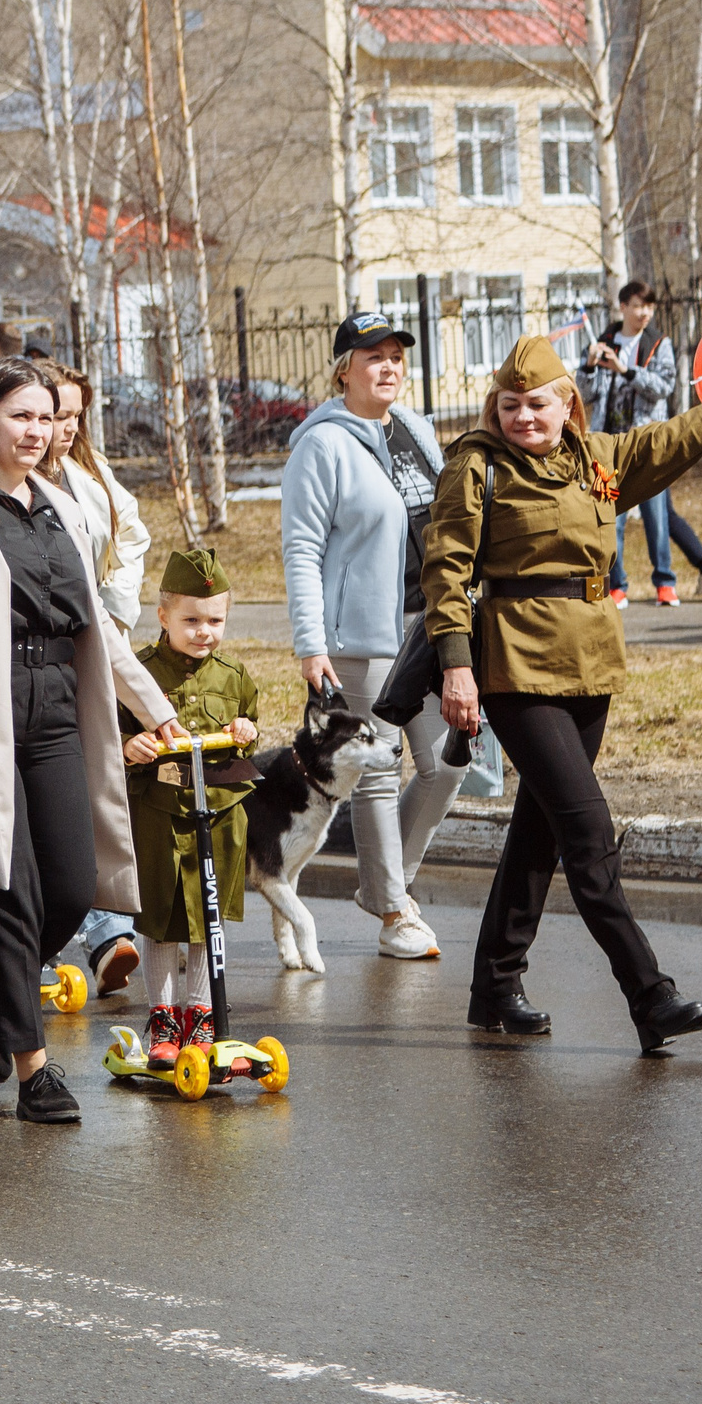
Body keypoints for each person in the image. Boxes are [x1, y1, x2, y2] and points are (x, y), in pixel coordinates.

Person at [426, 335, 702, 1052]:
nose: (523, 417)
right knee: (587, 831)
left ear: (566, 402)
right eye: (509, 405)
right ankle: (649, 993)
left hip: (589, 663)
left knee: (541, 829)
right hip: (514, 663)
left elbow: (687, 433)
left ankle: (493, 985)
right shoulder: (476, 467)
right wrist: (456, 666)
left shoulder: (595, 460)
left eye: (538, 404)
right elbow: (446, 573)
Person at [0, 357, 185, 1123]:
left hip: (56, 714)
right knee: (12, 896)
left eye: (47, 417)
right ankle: (35, 1069)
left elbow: (101, 630)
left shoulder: (65, 507)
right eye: (21, 415)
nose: (37, 430)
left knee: (74, 887)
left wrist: (157, 710)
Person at [279, 310, 466, 960]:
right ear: (344, 369)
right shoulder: (320, 444)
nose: (388, 367)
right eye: (373, 357)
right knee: (380, 769)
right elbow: (301, 547)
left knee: (446, 764)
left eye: (396, 356)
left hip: (430, 621)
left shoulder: (415, 428)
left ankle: (387, 883)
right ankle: (393, 910)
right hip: (361, 634)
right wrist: (311, 640)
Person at [119, 550, 261, 1068]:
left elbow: (248, 724)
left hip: (220, 814)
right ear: (163, 616)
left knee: (207, 919)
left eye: (216, 620)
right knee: (160, 918)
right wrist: (128, 745)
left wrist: (247, 733)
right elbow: (112, 729)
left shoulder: (233, 674)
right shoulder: (138, 672)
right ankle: (162, 1017)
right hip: (159, 813)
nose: (205, 632)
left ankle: (201, 1017)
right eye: (192, 620)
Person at [38, 364, 152, 991]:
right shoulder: (5, 481)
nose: (64, 428)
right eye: (55, 414)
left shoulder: (89, 472)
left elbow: (131, 534)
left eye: (76, 415)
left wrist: (115, 603)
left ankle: (108, 933)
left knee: (91, 788)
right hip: (32, 664)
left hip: (97, 645)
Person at [584, 283, 682, 609]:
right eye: (639, 306)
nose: (644, 314)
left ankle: (665, 583)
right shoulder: (605, 341)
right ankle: (617, 585)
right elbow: (586, 392)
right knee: (611, 518)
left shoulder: (658, 344)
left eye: (649, 308)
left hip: (646, 443)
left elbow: (664, 386)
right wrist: (589, 365)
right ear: (623, 306)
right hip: (608, 445)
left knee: (657, 516)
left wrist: (627, 371)